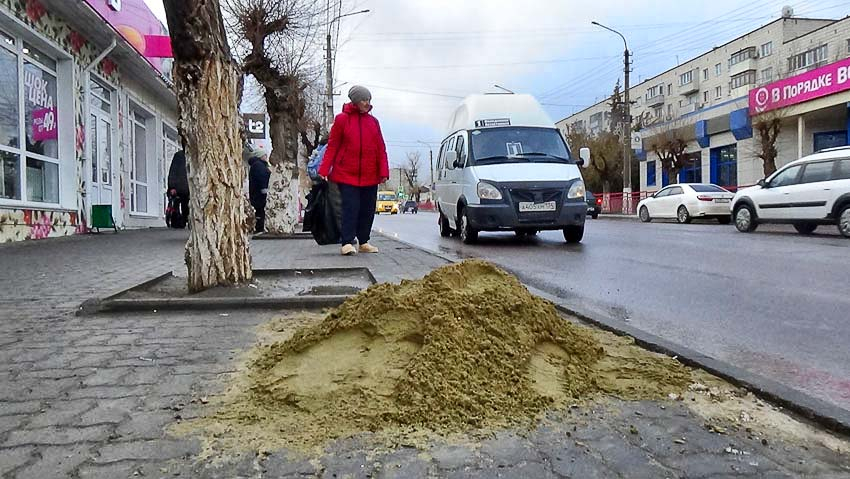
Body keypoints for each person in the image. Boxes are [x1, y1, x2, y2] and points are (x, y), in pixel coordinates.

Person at [318, 85, 389, 256]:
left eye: (369, 100)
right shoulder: (342, 119)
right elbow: (332, 146)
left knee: (367, 209)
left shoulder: (373, 122)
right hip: (347, 174)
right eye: (364, 100)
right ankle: (347, 242)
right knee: (351, 208)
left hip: (370, 174)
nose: (367, 103)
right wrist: (324, 169)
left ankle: (364, 241)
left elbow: (380, 147)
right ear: (355, 101)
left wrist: (383, 171)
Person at [248, 153, 271, 233]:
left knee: (259, 210)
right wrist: (264, 188)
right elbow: (262, 177)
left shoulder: (257, 165)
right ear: (260, 155)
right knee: (260, 210)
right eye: (265, 155)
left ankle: (259, 227)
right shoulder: (259, 165)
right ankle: (260, 227)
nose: (266, 157)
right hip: (260, 193)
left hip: (256, 192)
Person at [166, 150, 190, 228]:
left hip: (187, 187)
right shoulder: (179, 155)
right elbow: (173, 171)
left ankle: (184, 221)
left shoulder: (192, 153)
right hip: (180, 187)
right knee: (178, 205)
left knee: (185, 206)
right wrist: (172, 187)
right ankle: (178, 222)